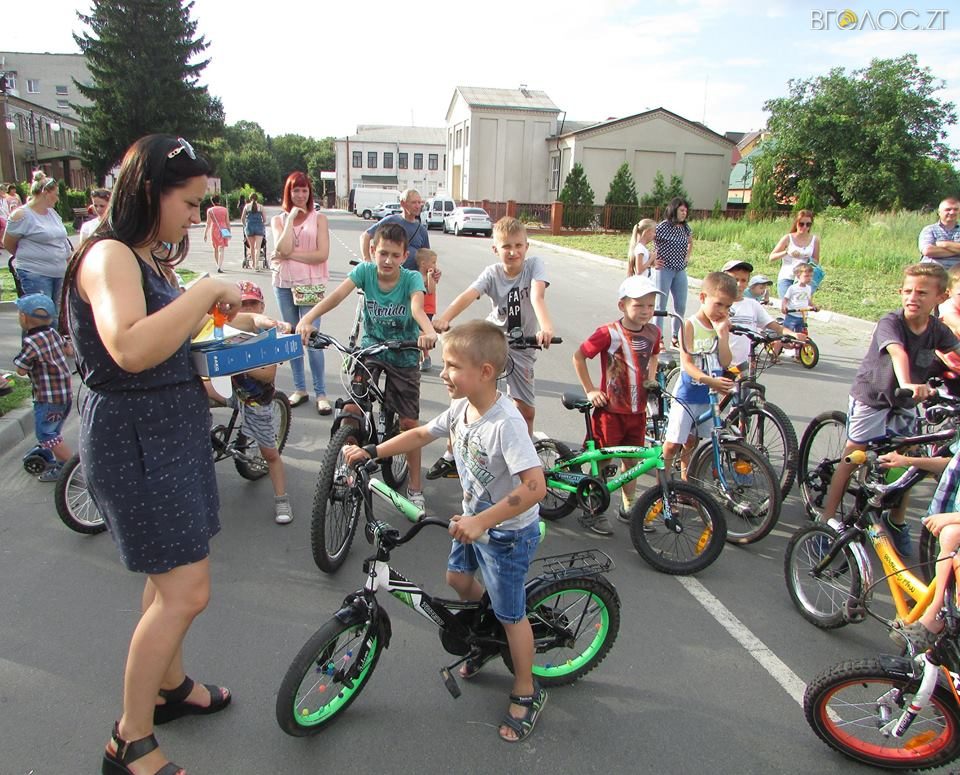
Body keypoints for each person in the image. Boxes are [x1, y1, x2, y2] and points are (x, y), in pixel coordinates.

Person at [63, 135, 244, 775]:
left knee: (167, 580)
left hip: (166, 435)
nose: (196, 217)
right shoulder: (109, 253)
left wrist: (241, 331)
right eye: (189, 204)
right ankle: (130, 740)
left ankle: (168, 688)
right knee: (185, 591)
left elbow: (169, 340)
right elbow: (132, 348)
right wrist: (207, 288)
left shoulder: (145, 257)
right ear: (148, 192)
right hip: (136, 441)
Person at [343, 319, 548, 743]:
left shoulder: (505, 423)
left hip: (506, 534)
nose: (443, 372)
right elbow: (421, 433)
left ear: (485, 372)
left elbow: (535, 487)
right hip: (473, 522)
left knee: (512, 616)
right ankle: (487, 632)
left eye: (453, 366)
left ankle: (527, 689)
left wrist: (481, 522)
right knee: (457, 579)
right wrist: (372, 451)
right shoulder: (462, 408)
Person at [819, 263, 960, 555]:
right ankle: (828, 522)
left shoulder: (938, 330)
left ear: (941, 297)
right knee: (852, 457)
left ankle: (896, 521)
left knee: (908, 460)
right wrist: (908, 382)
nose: (913, 297)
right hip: (873, 398)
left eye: (922, 293)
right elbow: (898, 353)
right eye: (908, 291)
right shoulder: (891, 322)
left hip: (905, 402)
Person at [295, 221, 437, 509]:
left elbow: (416, 308)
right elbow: (336, 296)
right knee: (352, 410)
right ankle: (346, 465)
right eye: (383, 253)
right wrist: (308, 318)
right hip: (371, 347)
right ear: (373, 251)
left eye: (395, 255)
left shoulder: (411, 278)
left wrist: (428, 331)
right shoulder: (364, 272)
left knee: (409, 423)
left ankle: (415, 487)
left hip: (404, 351)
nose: (388, 261)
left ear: (404, 256)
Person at [428, 217, 555, 479]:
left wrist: (545, 327)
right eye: (506, 246)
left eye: (518, 245)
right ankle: (451, 453)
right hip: (492, 340)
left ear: (527, 246)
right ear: (495, 249)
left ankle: (524, 464)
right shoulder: (492, 273)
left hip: (523, 345)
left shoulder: (534, 266)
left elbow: (537, 296)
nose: (513, 252)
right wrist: (445, 318)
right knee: (465, 389)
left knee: (526, 410)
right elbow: (469, 295)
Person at [572, 275, 662, 534]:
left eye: (650, 305)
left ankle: (629, 507)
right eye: (638, 305)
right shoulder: (608, 332)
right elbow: (579, 356)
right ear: (622, 305)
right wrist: (591, 390)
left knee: (632, 462)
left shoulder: (653, 332)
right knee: (603, 460)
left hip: (638, 411)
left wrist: (652, 378)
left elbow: (654, 355)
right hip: (611, 411)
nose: (645, 311)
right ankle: (592, 509)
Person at [205, 281, 295, 524]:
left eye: (253, 303)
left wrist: (234, 361)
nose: (247, 308)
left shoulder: (265, 336)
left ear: (262, 305)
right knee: (194, 390)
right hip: (230, 390)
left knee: (270, 453)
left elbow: (267, 374)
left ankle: (281, 498)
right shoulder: (227, 326)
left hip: (256, 399)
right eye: (242, 303)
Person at [662, 272, 737, 478]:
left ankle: (686, 480)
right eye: (719, 304)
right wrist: (709, 380)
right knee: (673, 443)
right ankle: (663, 484)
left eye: (728, 307)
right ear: (703, 297)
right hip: (688, 395)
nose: (723, 311)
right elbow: (687, 364)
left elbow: (725, 361)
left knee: (692, 441)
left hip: (708, 396)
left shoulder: (720, 326)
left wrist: (722, 335)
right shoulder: (690, 325)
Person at [270, 171, 332, 413]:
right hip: (284, 283)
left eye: (304, 190)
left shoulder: (319, 219)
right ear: (289, 192)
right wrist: (290, 219)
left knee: (311, 338)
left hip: (310, 284)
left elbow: (321, 254)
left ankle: (321, 393)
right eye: (296, 190)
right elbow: (280, 246)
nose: (300, 195)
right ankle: (300, 389)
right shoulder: (278, 220)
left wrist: (289, 254)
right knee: (292, 337)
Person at [13, 292, 74, 481]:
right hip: (64, 395)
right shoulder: (52, 333)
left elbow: (21, 369)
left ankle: (72, 469)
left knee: (46, 435)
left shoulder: (31, 341)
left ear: (24, 317)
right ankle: (59, 464)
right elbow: (69, 350)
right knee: (54, 432)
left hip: (48, 398)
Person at [2, 171, 71, 326]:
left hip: (58, 272)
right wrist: (31, 256)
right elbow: (8, 243)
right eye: (56, 194)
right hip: (35, 273)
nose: (58, 198)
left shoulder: (53, 214)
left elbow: (62, 239)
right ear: (45, 193)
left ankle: (51, 342)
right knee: (38, 317)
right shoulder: (21, 215)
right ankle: (32, 342)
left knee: (55, 318)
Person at [722, 260, 800, 371]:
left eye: (743, 280)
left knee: (747, 381)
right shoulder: (718, 305)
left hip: (745, 365)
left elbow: (775, 326)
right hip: (721, 364)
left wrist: (793, 334)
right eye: (735, 280)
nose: (739, 284)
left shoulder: (753, 305)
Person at [653, 197, 693, 347]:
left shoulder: (685, 228)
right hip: (664, 269)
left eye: (686, 211)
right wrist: (653, 260)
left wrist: (687, 257)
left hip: (680, 270)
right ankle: (658, 338)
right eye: (681, 210)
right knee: (660, 306)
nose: (684, 213)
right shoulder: (662, 227)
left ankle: (676, 337)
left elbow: (690, 242)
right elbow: (649, 240)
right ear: (674, 210)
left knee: (680, 306)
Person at [360, 188, 428, 270]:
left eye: (419, 202)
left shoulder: (422, 230)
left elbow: (427, 256)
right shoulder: (391, 220)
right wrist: (367, 260)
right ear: (403, 203)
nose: (417, 206)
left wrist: (433, 271)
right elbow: (365, 236)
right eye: (413, 202)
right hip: (388, 273)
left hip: (411, 275)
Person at [769, 210, 820, 300]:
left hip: (803, 279)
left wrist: (807, 258)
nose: (804, 227)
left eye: (808, 224)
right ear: (796, 223)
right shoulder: (788, 238)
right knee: (786, 305)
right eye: (801, 224)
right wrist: (786, 252)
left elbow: (816, 261)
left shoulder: (814, 240)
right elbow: (771, 257)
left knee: (800, 305)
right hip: (787, 277)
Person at [416, 247, 441, 371]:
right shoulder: (416, 276)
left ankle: (426, 357)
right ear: (423, 264)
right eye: (433, 262)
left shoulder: (430, 276)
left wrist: (430, 277)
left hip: (428, 309)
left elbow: (431, 290)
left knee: (425, 332)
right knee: (417, 332)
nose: (435, 265)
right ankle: (419, 357)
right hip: (418, 308)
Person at [919, 197, 960, 269]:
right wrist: (957, 250)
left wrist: (944, 244)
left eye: (956, 209)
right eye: (948, 209)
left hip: (957, 273)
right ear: (939, 212)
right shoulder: (929, 230)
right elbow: (928, 251)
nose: (952, 212)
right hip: (931, 271)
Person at [203, 194, 231, 273]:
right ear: (219, 200)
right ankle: (220, 266)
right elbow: (227, 222)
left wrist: (205, 233)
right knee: (221, 248)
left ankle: (217, 264)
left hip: (214, 228)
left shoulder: (210, 210)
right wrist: (229, 231)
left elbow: (208, 223)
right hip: (223, 229)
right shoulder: (225, 210)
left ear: (212, 201)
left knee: (215, 247)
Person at [240, 192, 266, 270]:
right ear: (257, 198)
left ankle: (253, 264)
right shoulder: (261, 207)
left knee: (251, 247)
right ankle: (257, 264)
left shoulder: (247, 206)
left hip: (249, 227)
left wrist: (245, 225)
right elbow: (264, 219)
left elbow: (242, 218)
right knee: (257, 247)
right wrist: (261, 224)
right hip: (259, 227)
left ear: (250, 198)